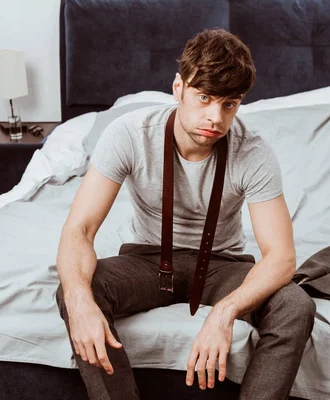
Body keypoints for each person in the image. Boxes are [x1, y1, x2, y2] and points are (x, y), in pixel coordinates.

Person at [55, 28, 316, 400]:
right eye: (204, 97)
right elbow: (79, 229)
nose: (215, 118)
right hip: (147, 259)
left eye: (230, 104)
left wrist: (224, 313)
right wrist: (80, 302)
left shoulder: (253, 152)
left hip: (222, 264)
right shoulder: (129, 134)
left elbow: (281, 256)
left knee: (295, 306)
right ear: (179, 88)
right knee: (76, 290)